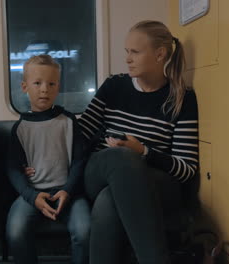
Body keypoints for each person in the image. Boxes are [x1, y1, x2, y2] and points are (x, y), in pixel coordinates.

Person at [78, 20, 199, 264]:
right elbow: (79, 136)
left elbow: (186, 170)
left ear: (160, 54)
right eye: (127, 52)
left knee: (108, 201)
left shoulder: (181, 99)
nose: (128, 59)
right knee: (120, 157)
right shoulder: (114, 86)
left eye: (135, 52)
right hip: (101, 169)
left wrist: (143, 151)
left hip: (152, 179)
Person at [6, 54, 91, 264]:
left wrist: (68, 190)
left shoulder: (69, 122)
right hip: (34, 193)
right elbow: (13, 169)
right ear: (25, 87)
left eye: (51, 83)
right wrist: (31, 195)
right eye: (37, 83)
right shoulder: (20, 129)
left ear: (58, 87)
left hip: (69, 192)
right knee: (15, 231)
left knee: (85, 231)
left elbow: (80, 160)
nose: (45, 89)